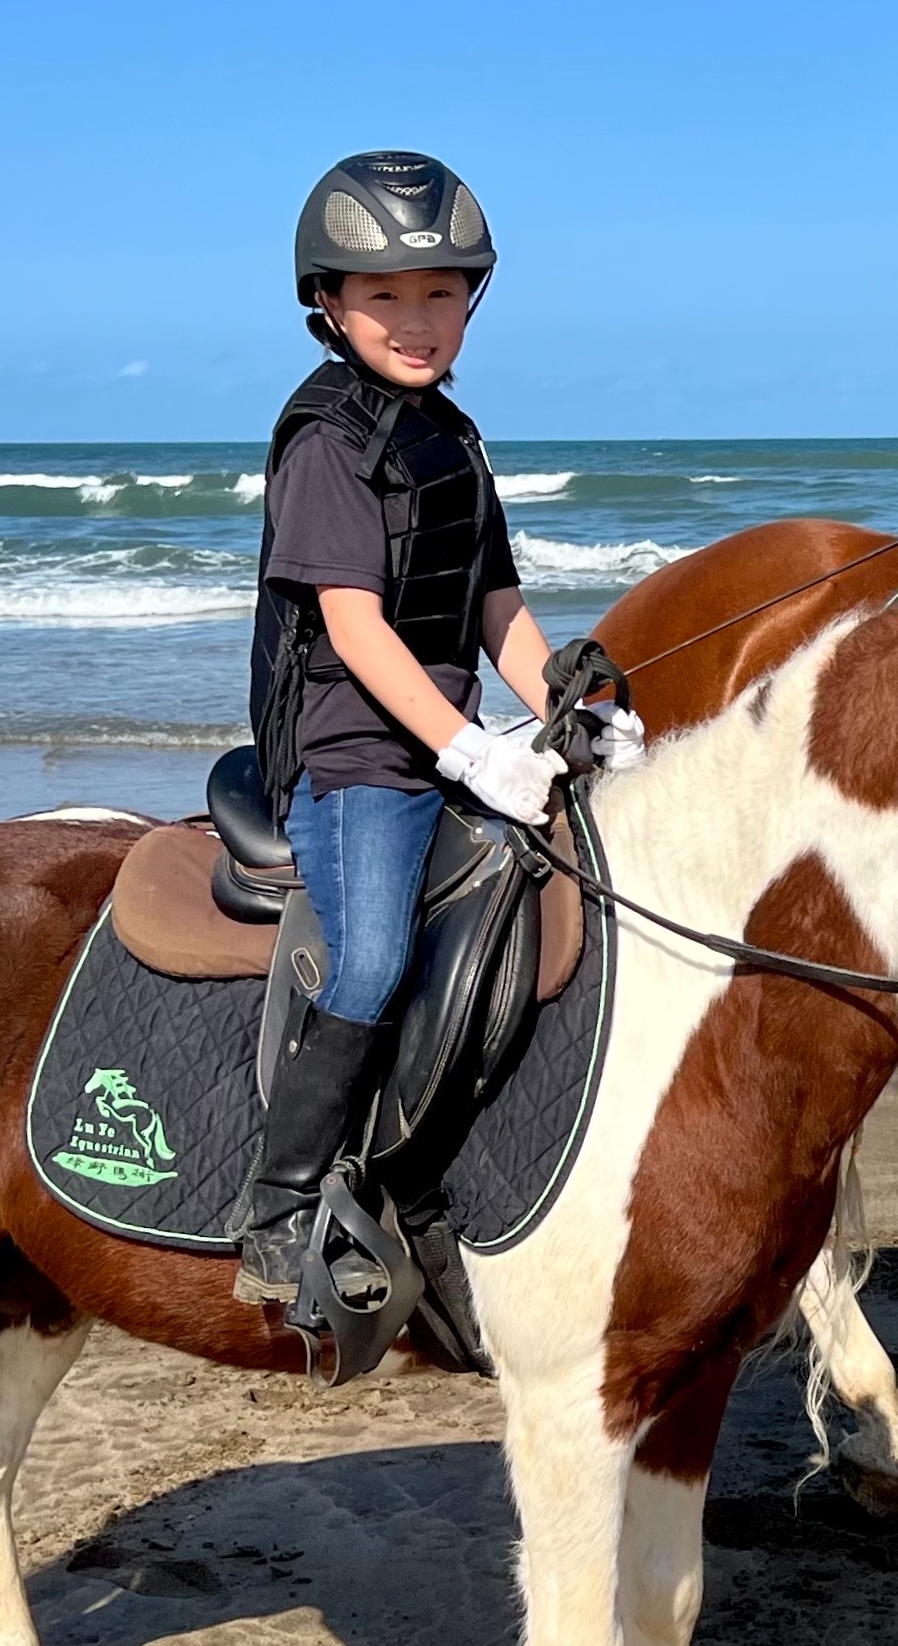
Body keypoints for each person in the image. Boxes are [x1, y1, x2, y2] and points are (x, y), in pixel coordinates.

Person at [229, 150, 637, 1306]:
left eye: (440, 293)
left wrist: (569, 702)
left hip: (438, 741)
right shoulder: (325, 442)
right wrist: (468, 749)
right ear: (329, 304)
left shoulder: (449, 435)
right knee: (372, 954)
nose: (417, 320)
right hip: (359, 759)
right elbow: (355, 630)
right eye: (385, 297)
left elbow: (492, 603)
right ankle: (282, 1197)